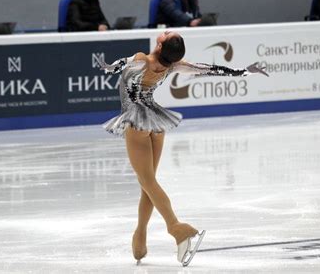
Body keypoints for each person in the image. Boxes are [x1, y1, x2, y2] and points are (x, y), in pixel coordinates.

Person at [98, 31, 269, 266]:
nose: (165, 31)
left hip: (137, 120)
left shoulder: (142, 59)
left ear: (159, 44)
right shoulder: (173, 65)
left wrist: (107, 66)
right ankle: (140, 235)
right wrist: (245, 71)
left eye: (167, 34)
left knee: (147, 182)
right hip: (156, 121)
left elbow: (118, 66)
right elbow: (211, 69)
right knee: (148, 183)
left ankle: (176, 228)